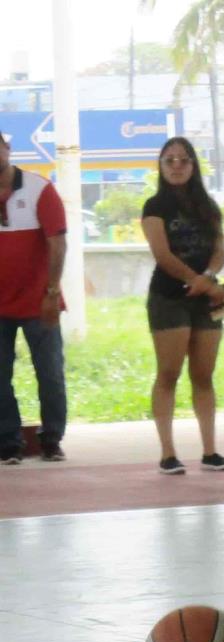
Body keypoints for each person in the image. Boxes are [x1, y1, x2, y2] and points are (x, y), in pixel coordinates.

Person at [141, 137, 224, 475]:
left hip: (207, 299)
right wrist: (196, 281)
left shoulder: (208, 206)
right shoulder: (154, 207)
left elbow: (220, 251)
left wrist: (207, 278)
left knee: (204, 375)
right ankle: (168, 453)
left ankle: (210, 451)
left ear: (194, 165)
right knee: (169, 373)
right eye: (170, 160)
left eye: (184, 159)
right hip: (169, 298)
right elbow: (162, 254)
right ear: (161, 166)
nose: (177, 165)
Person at [0, 127, 67, 464]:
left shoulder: (40, 189)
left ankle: (52, 439)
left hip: (40, 301)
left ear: (7, 148)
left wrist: (52, 293)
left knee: (50, 372)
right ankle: (9, 443)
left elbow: (57, 242)